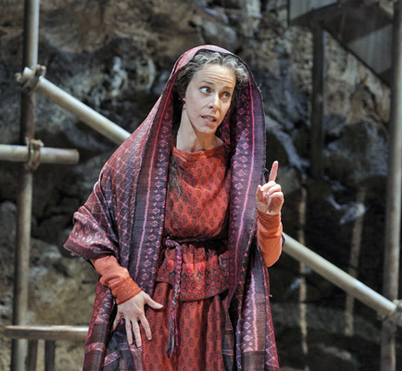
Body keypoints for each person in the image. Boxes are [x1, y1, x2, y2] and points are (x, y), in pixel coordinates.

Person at [65, 45, 284, 371]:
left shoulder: (239, 168)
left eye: (225, 95)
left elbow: (266, 258)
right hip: (149, 305)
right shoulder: (139, 160)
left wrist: (269, 216)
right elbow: (91, 227)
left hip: (212, 315)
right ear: (183, 92)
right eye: (206, 90)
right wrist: (122, 287)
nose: (215, 104)